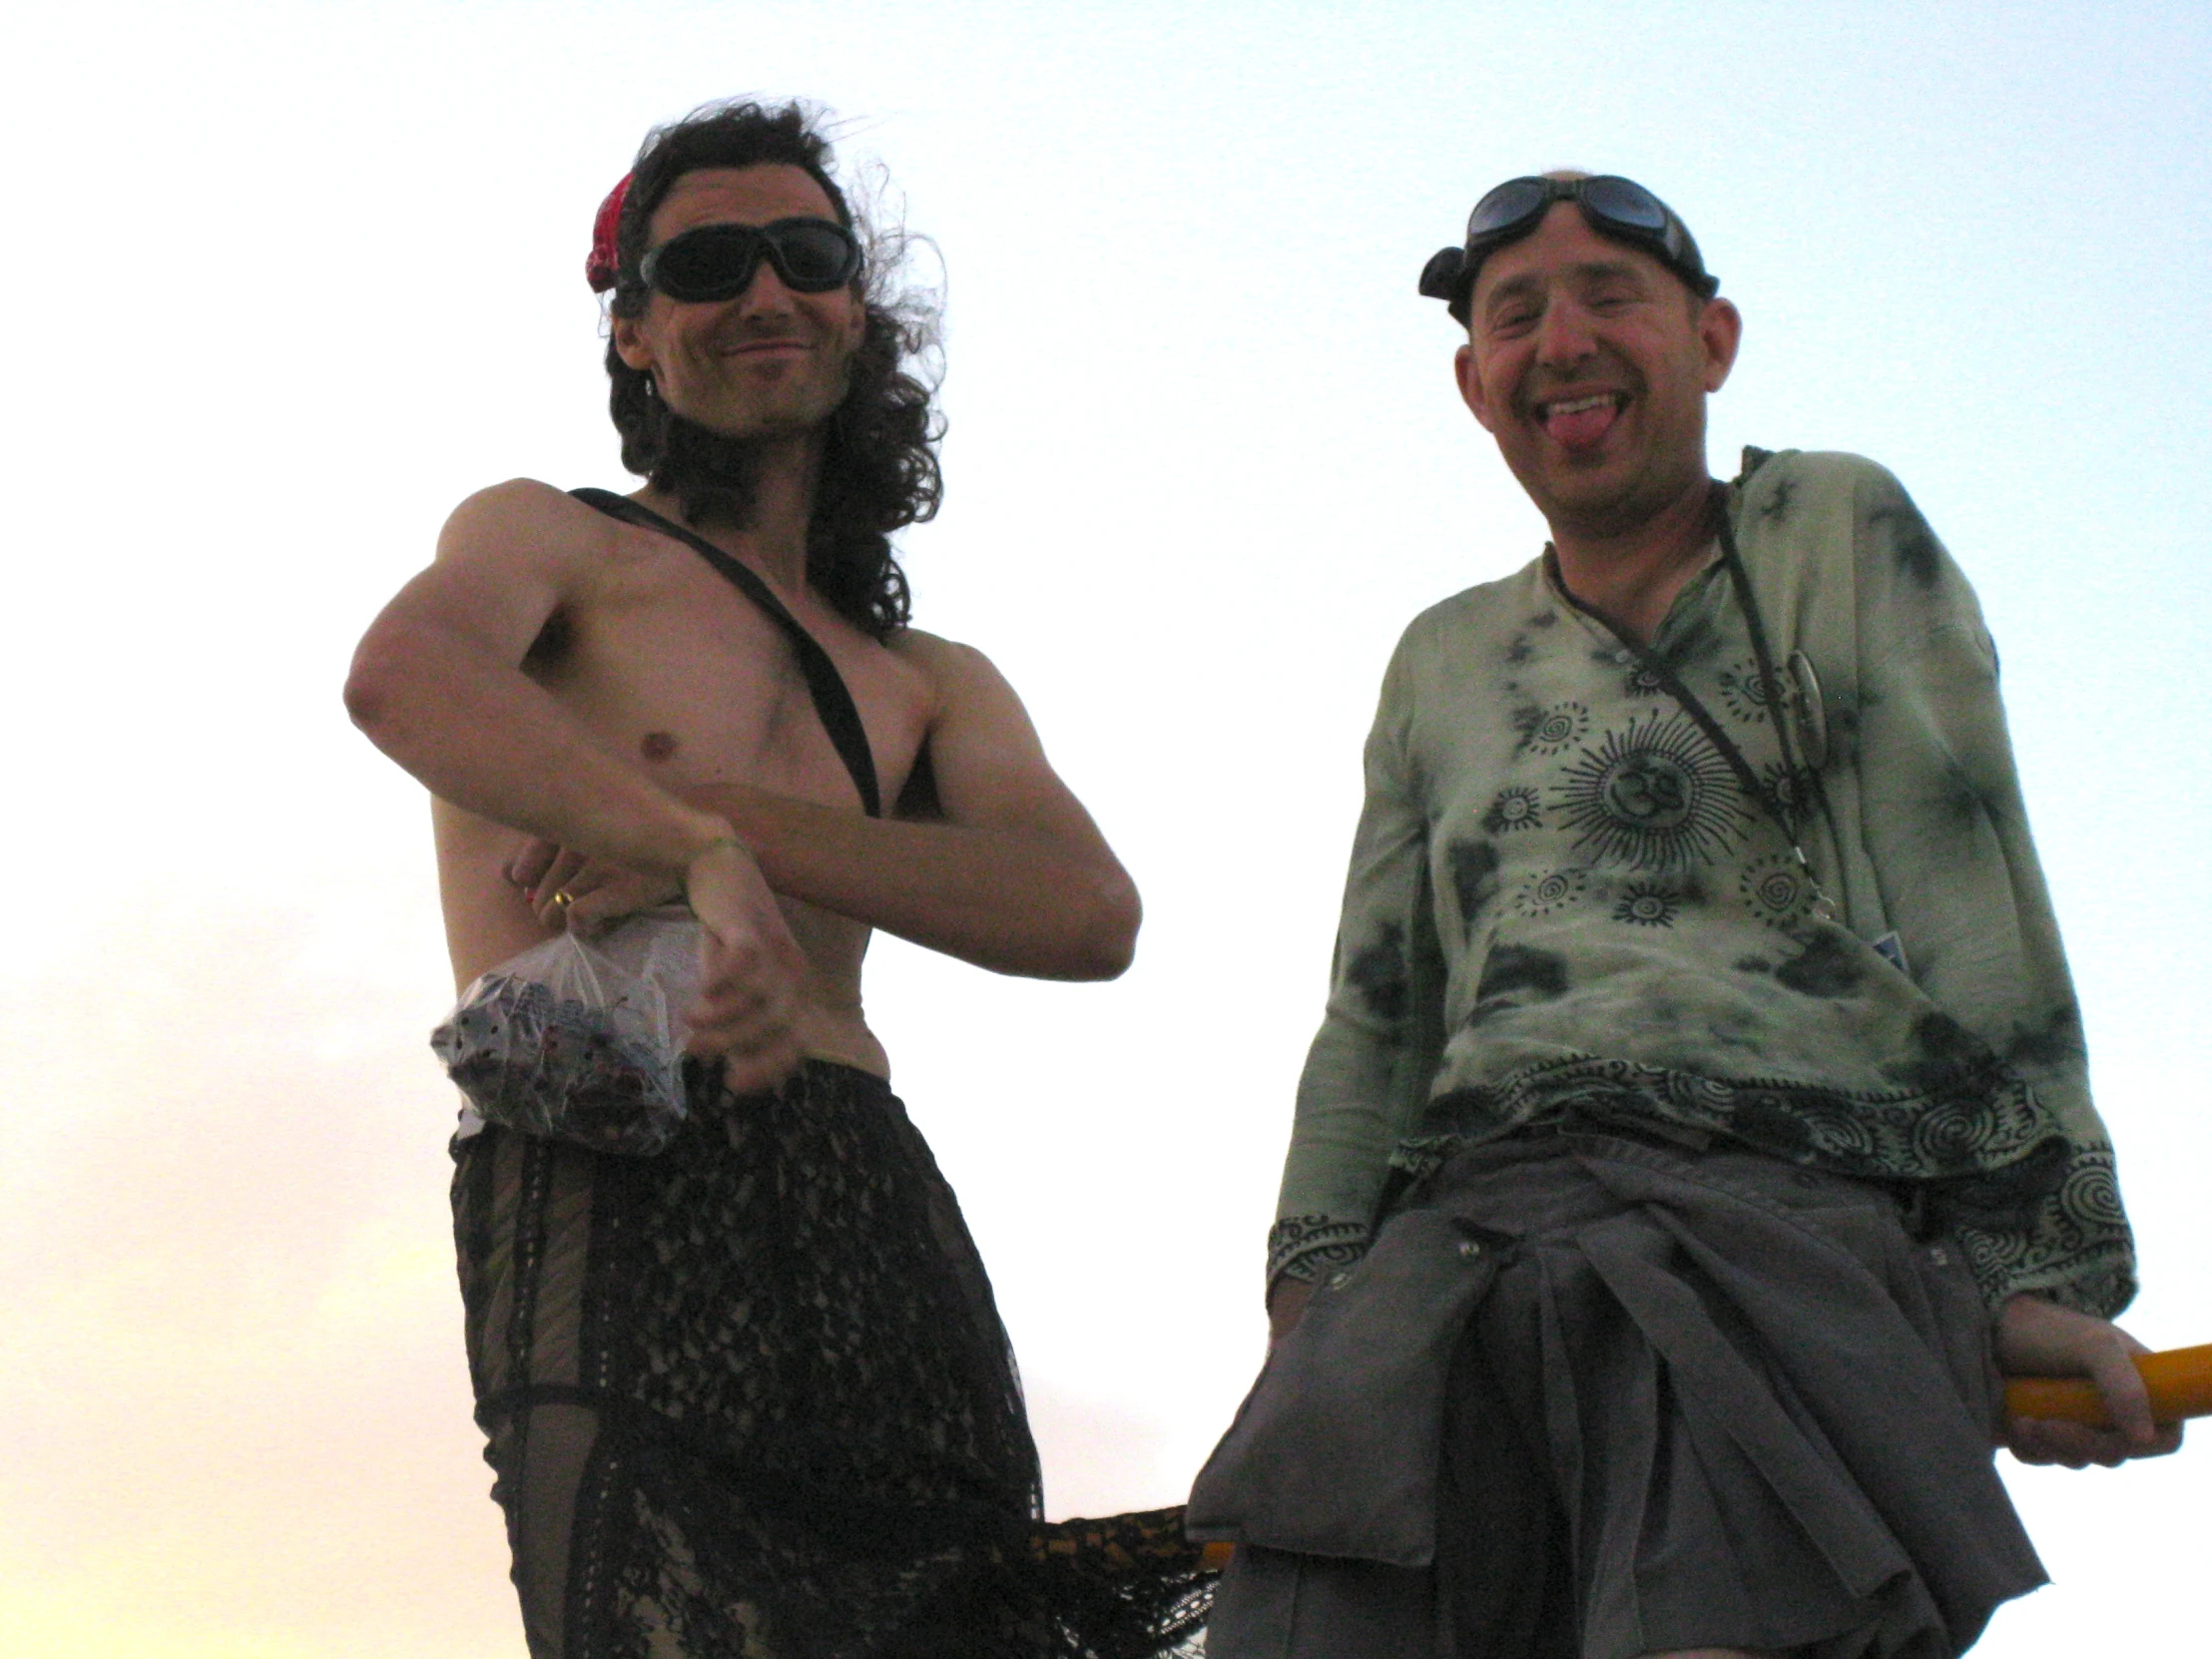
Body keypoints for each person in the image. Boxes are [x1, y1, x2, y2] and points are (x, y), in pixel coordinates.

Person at [1188, 173, 2180, 1659]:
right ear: (1476, 387)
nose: (1562, 340)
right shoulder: (1441, 659)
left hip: (1766, 1212)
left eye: (1610, 299)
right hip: (1456, 1242)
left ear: (1711, 340)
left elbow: (1965, 870)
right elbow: (1374, 1013)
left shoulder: (1829, 527)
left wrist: (2032, 1276)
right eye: (1514, 315)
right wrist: (1312, 1322)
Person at [345, 100, 1208, 1659]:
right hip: (612, 1167)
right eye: (708, 263)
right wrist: (695, 852)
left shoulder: (922, 679)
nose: (762, 293)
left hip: (865, 1190)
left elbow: (1088, 912)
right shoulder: (554, 544)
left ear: (854, 309)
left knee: (973, 1621)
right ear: (632, 333)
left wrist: (722, 826)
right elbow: (405, 676)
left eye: (805, 255)